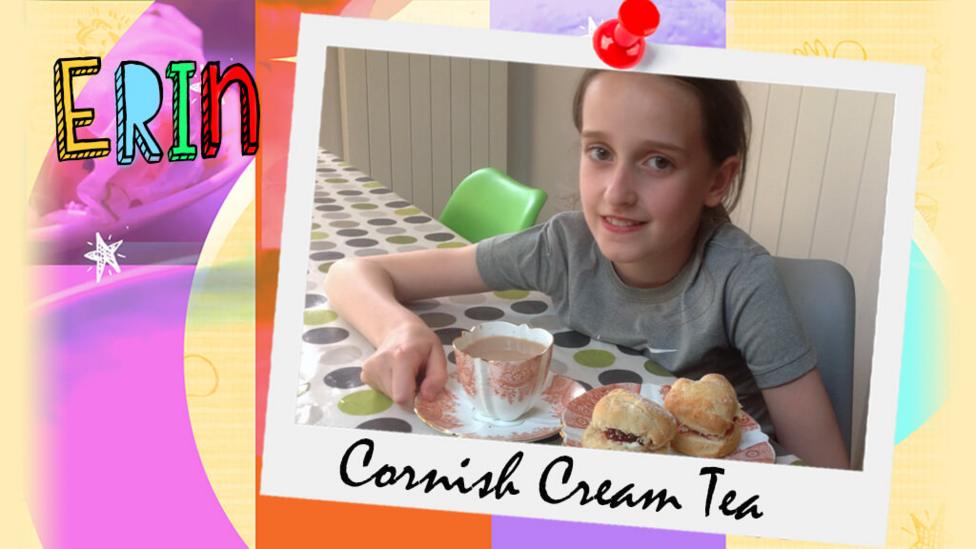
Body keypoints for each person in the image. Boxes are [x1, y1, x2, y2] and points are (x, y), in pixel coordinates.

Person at [325, 69, 849, 469]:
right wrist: (401, 330)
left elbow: (829, 470)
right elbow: (352, 274)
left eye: (658, 162)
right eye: (600, 152)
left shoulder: (741, 281)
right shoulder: (564, 246)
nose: (616, 193)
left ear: (718, 180)